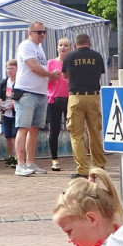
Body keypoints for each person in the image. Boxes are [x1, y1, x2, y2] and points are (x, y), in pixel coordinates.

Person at [13, 21, 59, 176]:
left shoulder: (39, 48)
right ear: (30, 32)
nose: (42, 35)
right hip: (26, 91)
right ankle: (20, 164)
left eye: (44, 32)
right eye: (39, 32)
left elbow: (40, 67)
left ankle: (30, 162)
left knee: (34, 129)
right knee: (23, 127)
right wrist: (50, 74)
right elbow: (33, 66)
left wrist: (51, 74)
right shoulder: (26, 45)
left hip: (40, 92)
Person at [62, 33, 107, 178]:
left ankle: (82, 169)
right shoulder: (97, 56)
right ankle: (99, 167)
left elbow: (65, 76)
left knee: (76, 135)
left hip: (76, 97)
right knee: (94, 133)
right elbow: (99, 75)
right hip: (93, 96)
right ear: (90, 43)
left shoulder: (69, 57)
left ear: (75, 45)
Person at [47, 38, 71, 173]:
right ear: (57, 48)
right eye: (60, 45)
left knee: (73, 129)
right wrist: (51, 76)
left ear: (70, 48)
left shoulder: (72, 62)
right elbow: (44, 80)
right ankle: (54, 160)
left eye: (65, 45)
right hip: (54, 99)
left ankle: (78, 157)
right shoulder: (51, 63)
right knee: (54, 130)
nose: (63, 48)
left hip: (70, 98)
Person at [0, 59, 18, 164]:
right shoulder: (4, 83)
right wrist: (2, 103)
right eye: (8, 68)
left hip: (16, 112)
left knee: (15, 135)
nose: (9, 71)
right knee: (8, 135)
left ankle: (17, 157)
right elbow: (0, 97)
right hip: (6, 113)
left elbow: (21, 96)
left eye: (12, 68)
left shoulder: (19, 82)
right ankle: (10, 156)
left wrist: (13, 104)